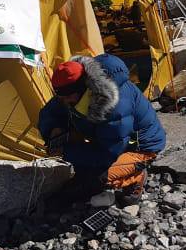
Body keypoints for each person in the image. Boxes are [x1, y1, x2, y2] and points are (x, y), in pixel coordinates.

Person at [38, 54, 166, 205]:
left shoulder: (114, 106)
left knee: (100, 179)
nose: (64, 101)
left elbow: (108, 154)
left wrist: (67, 152)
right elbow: (50, 112)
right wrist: (53, 129)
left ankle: (136, 176)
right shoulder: (74, 89)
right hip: (110, 139)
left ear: (82, 90)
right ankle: (86, 176)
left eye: (68, 97)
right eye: (61, 98)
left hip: (140, 146)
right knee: (85, 173)